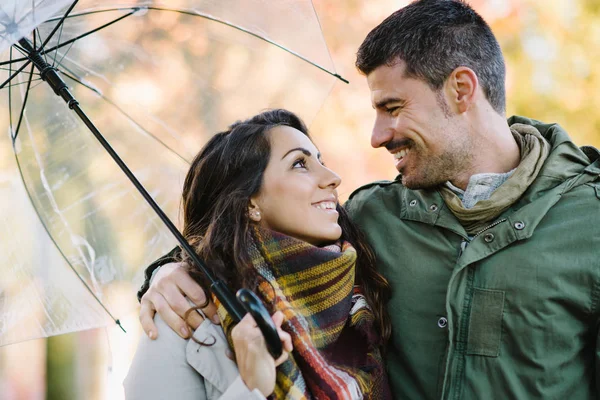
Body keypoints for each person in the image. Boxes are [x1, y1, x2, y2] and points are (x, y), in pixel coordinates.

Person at [137, 1, 600, 398]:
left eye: (393, 108)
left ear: (461, 90)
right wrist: (167, 273)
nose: (377, 137)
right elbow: (236, 243)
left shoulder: (590, 220)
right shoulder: (370, 218)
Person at [125, 109, 392, 399]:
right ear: (251, 202)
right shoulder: (185, 318)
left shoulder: (366, 290)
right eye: (300, 164)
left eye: (320, 161)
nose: (333, 178)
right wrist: (250, 389)